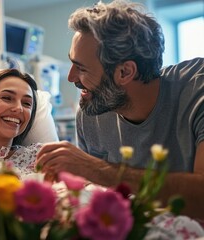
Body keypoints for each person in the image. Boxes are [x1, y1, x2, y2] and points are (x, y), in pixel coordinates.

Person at [35, 0, 204, 219]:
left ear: (125, 72)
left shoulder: (197, 90)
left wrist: (96, 169)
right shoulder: (92, 111)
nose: (71, 77)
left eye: (82, 68)